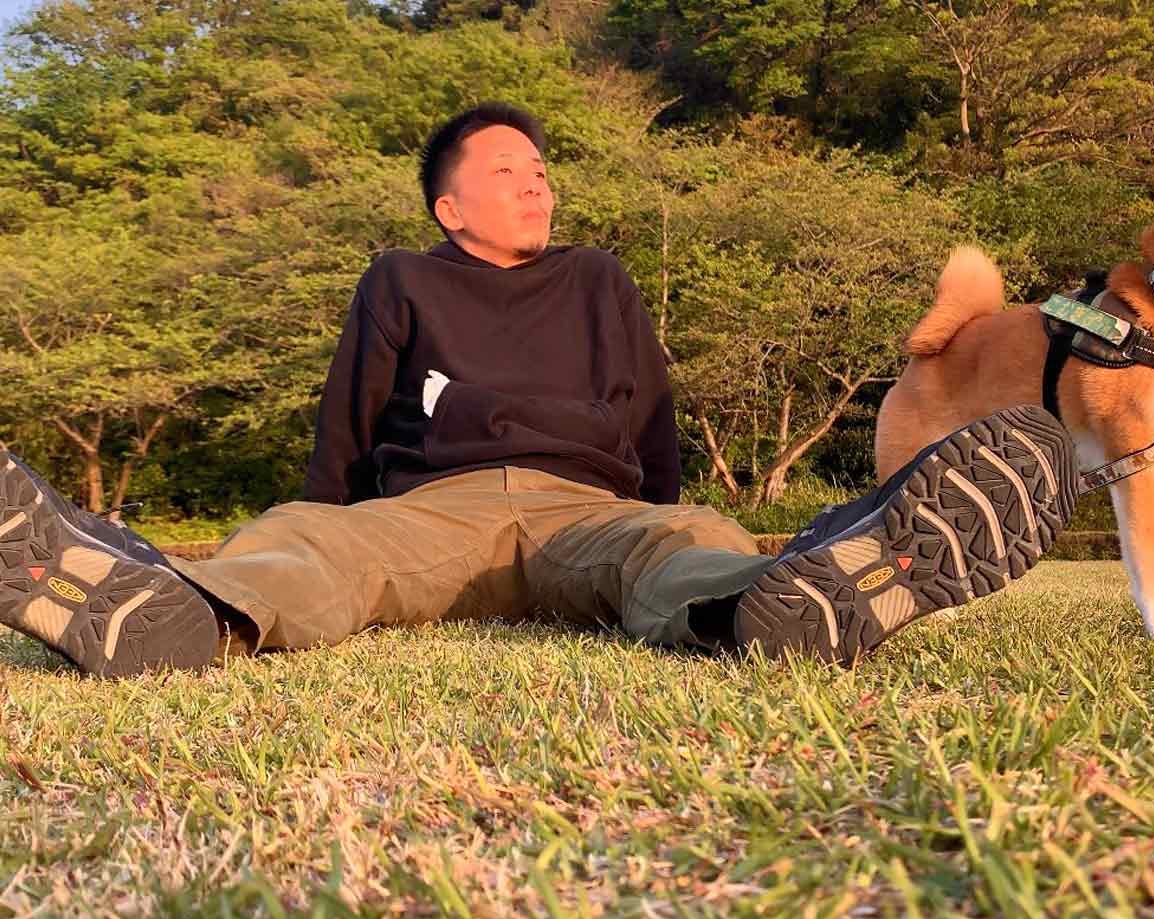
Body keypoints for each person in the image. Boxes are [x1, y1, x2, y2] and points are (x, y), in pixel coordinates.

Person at [0, 102, 1076, 678]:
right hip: (434, 511)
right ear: (448, 205)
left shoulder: (599, 274)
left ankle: (777, 606)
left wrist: (662, 503)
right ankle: (180, 615)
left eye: (543, 169)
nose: (536, 181)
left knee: (679, 544)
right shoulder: (403, 278)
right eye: (508, 169)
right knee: (317, 548)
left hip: (590, 511)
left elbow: (648, 410)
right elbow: (350, 414)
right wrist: (314, 506)